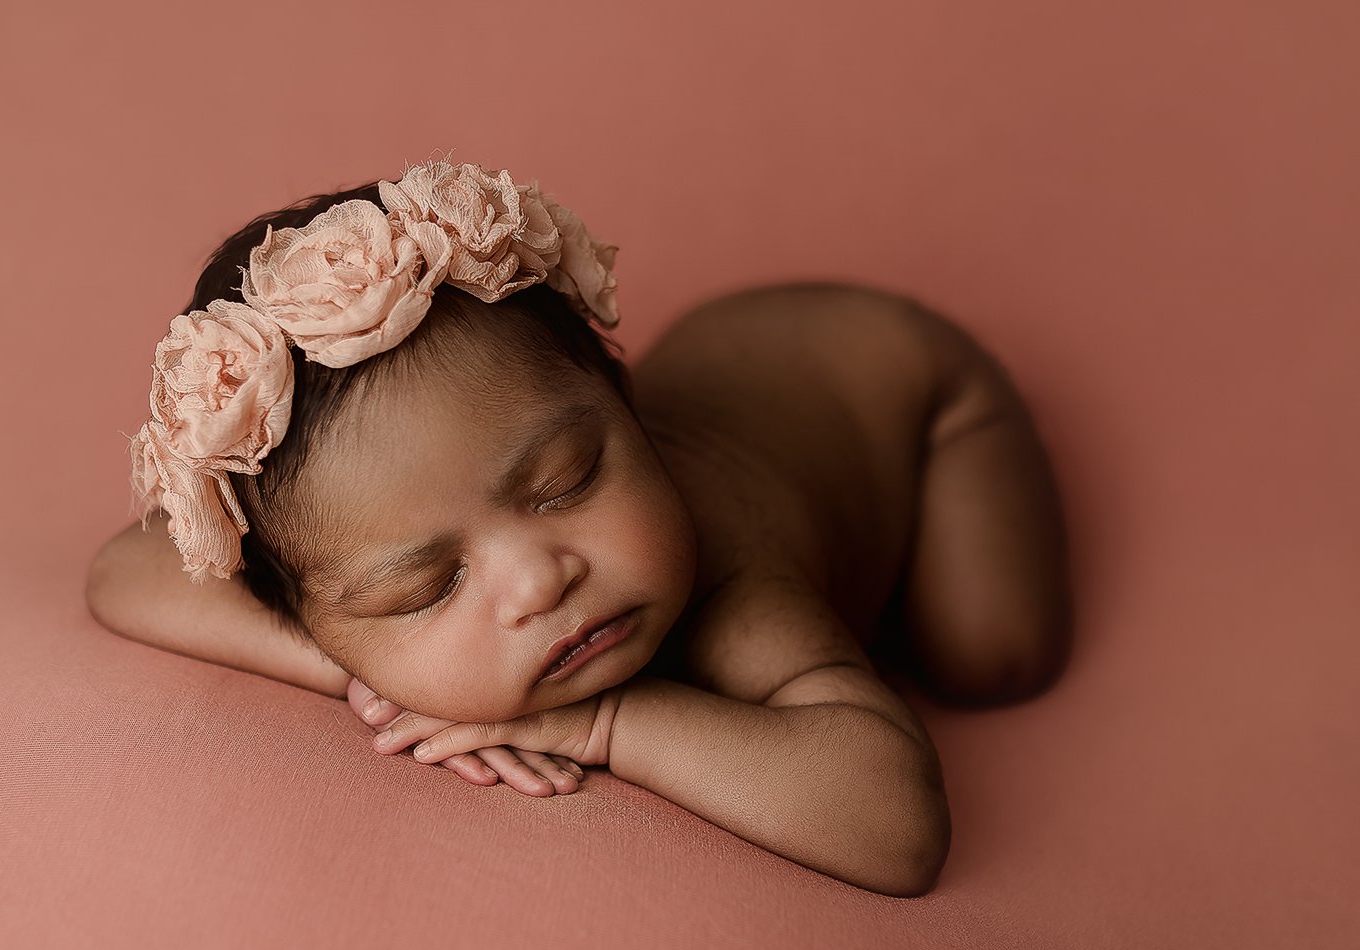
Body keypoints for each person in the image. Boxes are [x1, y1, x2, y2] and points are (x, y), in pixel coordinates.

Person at [85, 158, 1074, 897]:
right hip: (734, 369)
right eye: (424, 587)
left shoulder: (729, 580)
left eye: (568, 481)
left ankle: (964, 419)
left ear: (622, 399)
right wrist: (368, 672)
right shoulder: (352, 577)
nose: (540, 579)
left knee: (991, 654)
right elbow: (122, 570)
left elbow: (896, 826)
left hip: (898, 384)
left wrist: (600, 721)